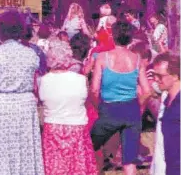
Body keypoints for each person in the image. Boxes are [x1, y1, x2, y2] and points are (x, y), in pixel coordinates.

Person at [0, 9, 44, 175]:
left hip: (0, 105)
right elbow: (37, 84)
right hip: (24, 104)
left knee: (0, 146)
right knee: (24, 146)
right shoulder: (31, 54)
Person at [90, 21, 151, 175]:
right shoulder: (137, 59)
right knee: (129, 160)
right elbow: (147, 91)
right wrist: (140, 107)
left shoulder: (103, 58)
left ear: (112, 36)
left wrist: (98, 107)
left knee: (90, 146)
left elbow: (95, 89)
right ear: (130, 39)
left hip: (109, 109)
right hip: (131, 110)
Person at [38, 39, 97, 175]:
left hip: (53, 128)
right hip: (77, 127)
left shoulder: (43, 81)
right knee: (78, 167)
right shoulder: (80, 79)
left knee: (55, 167)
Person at [152, 52, 180, 175]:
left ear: (175, 76)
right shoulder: (167, 99)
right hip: (170, 166)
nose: (155, 79)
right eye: (154, 74)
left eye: (160, 75)